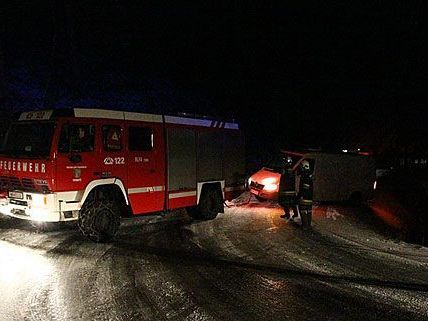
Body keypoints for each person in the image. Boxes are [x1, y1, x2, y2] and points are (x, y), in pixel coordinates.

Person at [296, 160, 314, 229]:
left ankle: (305, 226)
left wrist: (299, 196)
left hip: (304, 197)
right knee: (309, 211)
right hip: (309, 197)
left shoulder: (304, 176)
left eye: (301, 167)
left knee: (303, 211)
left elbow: (304, 188)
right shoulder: (309, 175)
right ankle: (308, 225)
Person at [279, 156, 297, 220]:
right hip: (289, 188)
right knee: (289, 202)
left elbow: (284, 176)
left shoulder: (287, 168)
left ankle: (292, 214)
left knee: (286, 202)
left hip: (287, 188)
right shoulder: (291, 168)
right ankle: (291, 214)